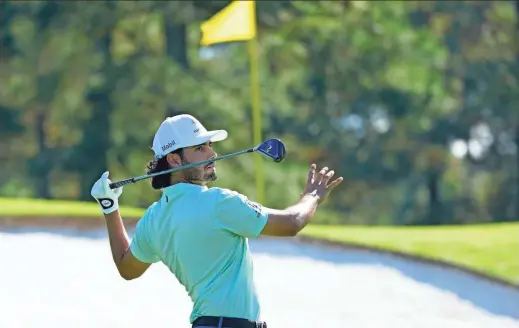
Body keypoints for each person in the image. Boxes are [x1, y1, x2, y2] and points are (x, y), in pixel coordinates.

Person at [90, 114, 343, 328]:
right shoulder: (220, 203)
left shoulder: (153, 219)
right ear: (175, 160)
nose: (212, 153)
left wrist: (110, 208)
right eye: (199, 148)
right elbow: (291, 223)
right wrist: (312, 197)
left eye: (209, 145)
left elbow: (127, 268)